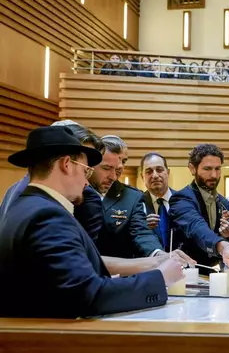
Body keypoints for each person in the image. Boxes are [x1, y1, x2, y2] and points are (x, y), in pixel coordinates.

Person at [0, 126, 183, 318]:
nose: (87, 182)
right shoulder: (47, 216)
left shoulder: (24, 205)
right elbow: (87, 295)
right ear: (66, 164)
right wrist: (159, 278)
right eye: (86, 171)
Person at [170, 144, 229, 271]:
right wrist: (221, 245)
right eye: (207, 169)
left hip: (213, 273)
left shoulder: (223, 203)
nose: (214, 175)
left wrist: (227, 235)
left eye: (217, 169)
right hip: (186, 272)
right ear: (192, 169)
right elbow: (196, 226)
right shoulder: (181, 199)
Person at [91, 136, 164, 259]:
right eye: (106, 168)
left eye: (123, 161)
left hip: (120, 271)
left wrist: (158, 254)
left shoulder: (132, 196)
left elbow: (141, 232)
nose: (114, 176)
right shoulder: (76, 190)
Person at [141, 152, 175, 251]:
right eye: (149, 171)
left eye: (159, 170)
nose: (155, 175)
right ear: (142, 176)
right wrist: (142, 227)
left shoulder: (183, 200)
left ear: (168, 173)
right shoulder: (136, 204)